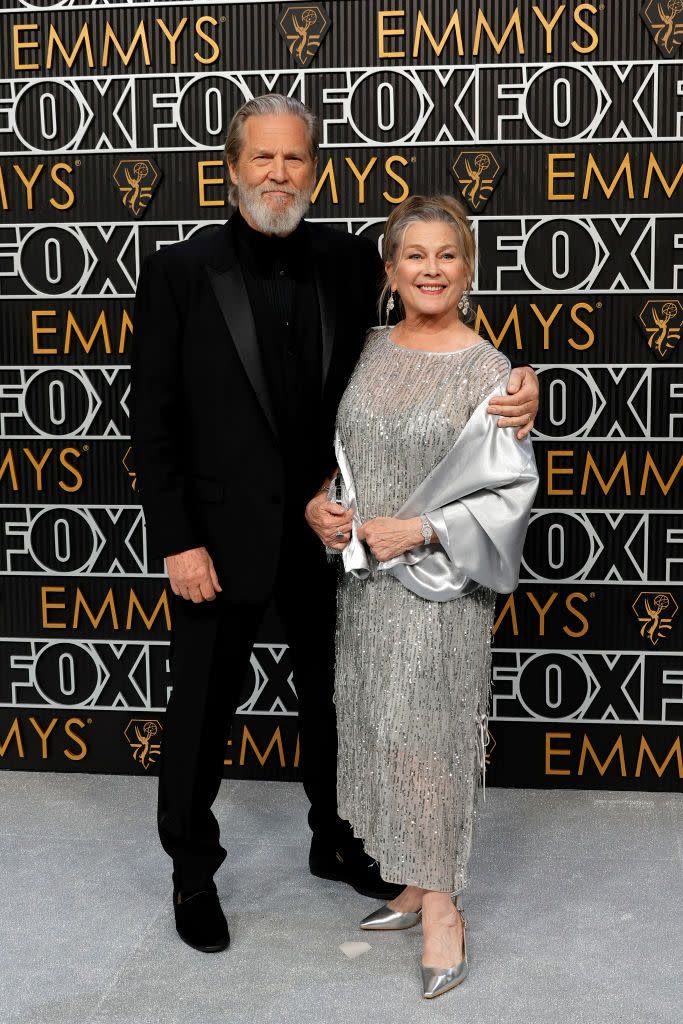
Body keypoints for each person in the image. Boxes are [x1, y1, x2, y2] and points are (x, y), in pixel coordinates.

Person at [131, 95, 540, 954]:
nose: (278, 176)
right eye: (262, 160)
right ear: (233, 167)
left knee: (336, 705)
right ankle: (193, 870)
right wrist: (177, 539)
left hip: (332, 536)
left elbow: (425, 347)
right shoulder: (178, 270)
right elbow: (154, 420)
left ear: (313, 171)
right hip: (219, 537)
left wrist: (516, 391)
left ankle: (337, 838)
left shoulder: (354, 262)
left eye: (295, 161)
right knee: (202, 708)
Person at [311, 195, 539, 999]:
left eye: (448, 255)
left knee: (432, 738)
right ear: (389, 270)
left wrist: (426, 531)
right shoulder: (364, 348)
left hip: (440, 591)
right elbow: (346, 449)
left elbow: (509, 492)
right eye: (415, 255)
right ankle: (410, 879)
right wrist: (323, 504)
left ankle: (443, 907)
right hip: (365, 584)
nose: (431, 270)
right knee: (383, 729)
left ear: (468, 270)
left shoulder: (488, 370)